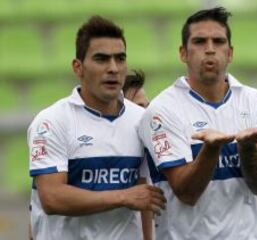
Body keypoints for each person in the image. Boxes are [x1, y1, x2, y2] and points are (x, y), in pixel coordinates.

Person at [137, 7, 257, 239]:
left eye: (218, 41)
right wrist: (211, 149)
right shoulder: (162, 111)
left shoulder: (256, 102)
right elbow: (187, 193)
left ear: (230, 52)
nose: (210, 49)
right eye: (200, 42)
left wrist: (246, 148)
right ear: (183, 53)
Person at [27, 16, 166, 240]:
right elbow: (52, 198)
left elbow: (143, 195)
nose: (113, 68)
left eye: (120, 59)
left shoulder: (142, 120)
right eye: (101, 59)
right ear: (78, 67)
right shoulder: (52, 121)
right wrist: (122, 196)